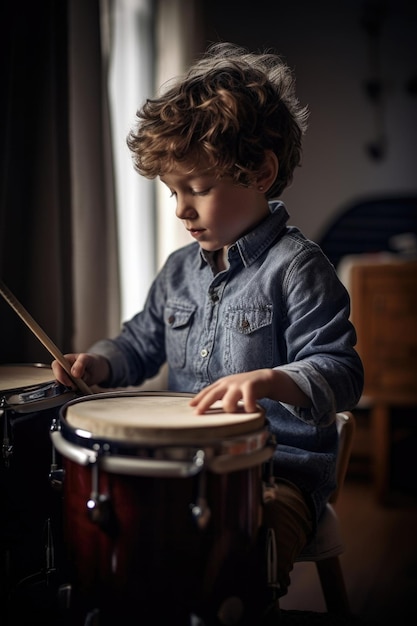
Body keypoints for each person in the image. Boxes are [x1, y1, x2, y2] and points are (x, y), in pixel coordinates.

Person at [52, 42, 363, 622]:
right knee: (113, 541)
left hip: (278, 473)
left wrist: (274, 380)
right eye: (173, 193)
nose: (180, 211)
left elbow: (343, 372)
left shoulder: (299, 269)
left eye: (196, 188)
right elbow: (138, 343)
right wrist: (99, 363)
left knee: (227, 554)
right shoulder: (177, 272)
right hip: (179, 465)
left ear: (261, 172)